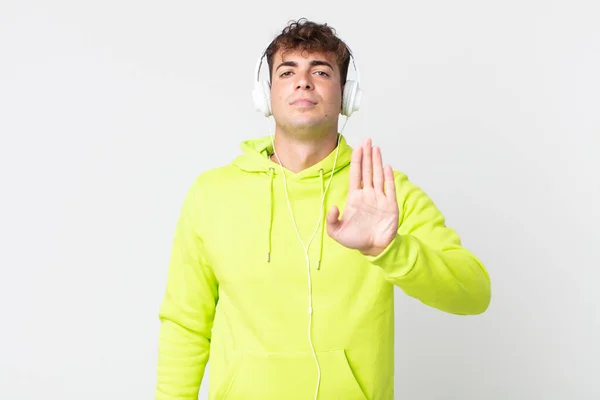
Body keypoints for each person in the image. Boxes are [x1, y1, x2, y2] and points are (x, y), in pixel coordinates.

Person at [155, 18, 491, 400]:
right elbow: (185, 324)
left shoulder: (383, 192)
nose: (303, 81)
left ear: (346, 96)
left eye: (320, 71)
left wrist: (388, 249)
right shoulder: (210, 194)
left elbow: (474, 293)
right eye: (287, 71)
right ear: (265, 95)